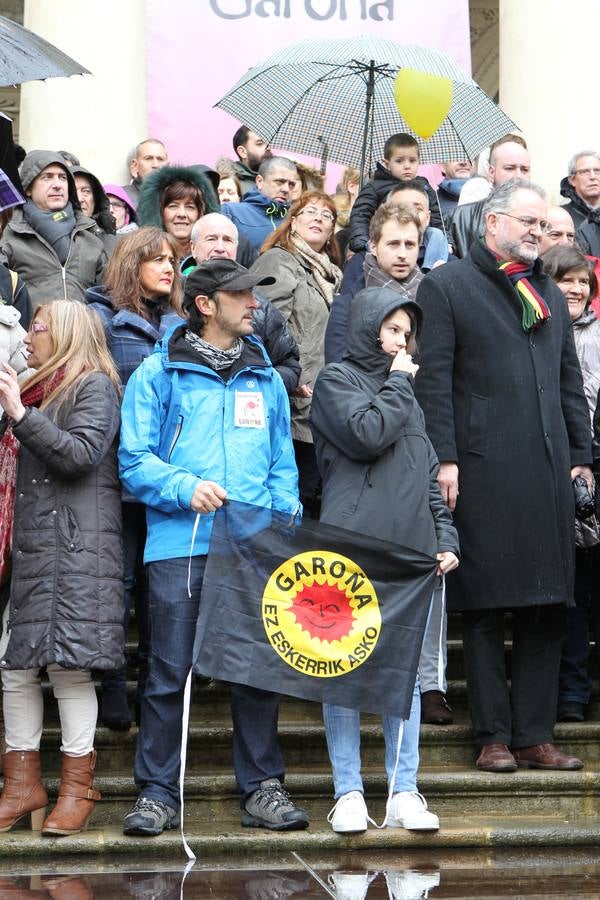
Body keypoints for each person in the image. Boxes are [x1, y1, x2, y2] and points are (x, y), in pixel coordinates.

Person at [118, 258, 309, 837]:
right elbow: (133, 461)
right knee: (169, 669)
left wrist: (282, 519)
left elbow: (282, 462)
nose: (255, 304)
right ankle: (156, 793)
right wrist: (184, 487)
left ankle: (262, 788)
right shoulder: (158, 372)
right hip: (182, 542)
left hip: (253, 547)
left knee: (257, 668)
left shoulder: (266, 376)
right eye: (242, 295)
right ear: (207, 304)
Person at [415, 179, 592, 774]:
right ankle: (492, 735)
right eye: (528, 222)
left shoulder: (543, 286)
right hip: (483, 470)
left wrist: (581, 454)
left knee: (548, 605)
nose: (538, 232)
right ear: (492, 223)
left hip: (547, 470)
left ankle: (535, 735)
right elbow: (433, 379)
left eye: (543, 225)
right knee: (487, 608)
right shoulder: (448, 286)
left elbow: (568, 379)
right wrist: (444, 457)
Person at [310, 286, 459, 833]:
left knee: (404, 675)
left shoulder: (408, 394)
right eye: (393, 330)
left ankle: (404, 789)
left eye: (407, 334)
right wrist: (399, 380)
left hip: (412, 555)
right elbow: (366, 433)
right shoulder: (336, 381)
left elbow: (425, 475)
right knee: (342, 671)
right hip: (351, 552)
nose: (403, 342)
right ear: (369, 326)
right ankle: (348, 791)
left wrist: (446, 537)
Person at [0, 300, 124, 835]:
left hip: (75, 551)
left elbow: (79, 454)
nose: (30, 336)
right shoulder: (32, 387)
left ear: (68, 334)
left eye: (39, 327)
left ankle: (78, 787)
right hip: (32, 545)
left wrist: (22, 416)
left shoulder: (94, 385)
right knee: (14, 666)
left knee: (69, 668)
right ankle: (22, 784)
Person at [86, 227, 184, 730]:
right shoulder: (99, 318)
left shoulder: (182, 325)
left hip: (169, 474)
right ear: (131, 264)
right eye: (156, 260)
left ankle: (152, 679)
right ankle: (111, 681)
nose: (169, 267)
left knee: (155, 582)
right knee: (119, 580)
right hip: (115, 471)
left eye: (172, 259)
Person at [250, 191, 342, 517]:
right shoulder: (280, 260)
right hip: (291, 403)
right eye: (309, 212)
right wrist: (291, 377)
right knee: (291, 503)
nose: (318, 218)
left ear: (333, 231)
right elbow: (263, 324)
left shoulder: (330, 274)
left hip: (318, 405)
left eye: (327, 215)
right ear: (293, 221)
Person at [542, 246, 600, 723]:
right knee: (574, 591)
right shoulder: (539, 332)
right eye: (567, 280)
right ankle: (572, 693)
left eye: (583, 281)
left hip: (595, 463)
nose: (577, 289)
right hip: (558, 470)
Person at [184, 213, 300, 394]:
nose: (220, 248)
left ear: (237, 248)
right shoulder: (170, 293)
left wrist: (257, 384)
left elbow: (289, 364)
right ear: (193, 247)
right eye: (211, 239)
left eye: (228, 240)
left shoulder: (260, 305)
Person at [0, 151, 107, 307]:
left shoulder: (90, 237)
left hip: (83, 330)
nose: (57, 184)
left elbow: (107, 298)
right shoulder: (9, 237)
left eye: (63, 178)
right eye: (47, 177)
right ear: (28, 188)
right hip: (29, 330)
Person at [325, 203, 423, 365]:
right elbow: (337, 372)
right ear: (373, 247)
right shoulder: (348, 303)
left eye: (410, 244)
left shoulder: (432, 295)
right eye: (393, 244)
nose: (403, 254)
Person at [349, 133, 443, 253]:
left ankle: (431, 268)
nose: (407, 166)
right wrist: (362, 242)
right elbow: (360, 214)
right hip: (388, 239)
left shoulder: (424, 186)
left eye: (412, 160)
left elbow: (437, 217)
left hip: (422, 243)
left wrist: (448, 242)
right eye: (399, 161)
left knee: (436, 234)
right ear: (387, 164)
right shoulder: (375, 187)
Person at [450, 138, 531, 257]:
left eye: (524, 170)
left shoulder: (542, 218)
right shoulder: (462, 216)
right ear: (491, 172)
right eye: (509, 168)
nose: (518, 176)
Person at [137, 165, 219, 262]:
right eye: (173, 206)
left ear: (201, 213)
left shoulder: (216, 254)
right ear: (159, 211)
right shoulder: (140, 255)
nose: (181, 214)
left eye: (190, 207)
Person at [222, 156, 299, 251]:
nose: (286, 189)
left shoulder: (296, 220)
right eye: (279, 182)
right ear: (260, 181)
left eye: (291, 185)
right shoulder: (231, 211)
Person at [72, 166, 118, 254]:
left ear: (96, 199)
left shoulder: (114, 241)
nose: (80, 199)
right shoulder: (57, 241)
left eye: (86, 191)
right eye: (72, 192)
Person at [122, 139, 169, 208]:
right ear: (135, 166)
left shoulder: (177, 197)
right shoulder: (121, 197)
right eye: (148, 158)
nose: (155, 165)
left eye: (160, 159)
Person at [559, 151, 600, 229]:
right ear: (572, 180)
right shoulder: (562, 216)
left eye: (597, 171)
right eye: (585, 172)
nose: (593, 176)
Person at [231, 126, 272, 197]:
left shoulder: (279, 182)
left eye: (269, 143)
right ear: (242, 152)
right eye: (259, 143)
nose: (268, 148)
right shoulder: (230, 183)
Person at [437, 159, 474, 229]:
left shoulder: (487, 195)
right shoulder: (433, 201)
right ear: (442, 166)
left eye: (467, 158)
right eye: (456, 158)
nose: (463, 163)